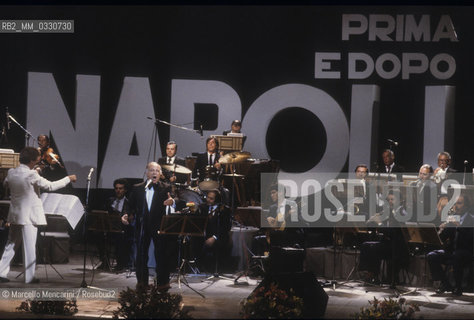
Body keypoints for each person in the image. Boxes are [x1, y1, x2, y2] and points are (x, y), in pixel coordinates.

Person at [0, 147, 76, 283]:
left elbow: (6, 183)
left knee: (10, 245)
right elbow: (51, 186)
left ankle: (1, 272)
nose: (40, 159)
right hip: (29, 216)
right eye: (38, 157)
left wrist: (34, 172)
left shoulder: (12, 172)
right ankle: (29, 277)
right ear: (32, 160)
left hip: (16, 214)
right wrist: (68, 179)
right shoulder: (32, 175)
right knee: (29, 247)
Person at [129, 162, 177, 289]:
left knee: (161, 253)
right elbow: (130, 206)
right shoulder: (138, 188)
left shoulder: (166, 187)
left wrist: (172, 201)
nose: (154, 172)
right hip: (142, 225)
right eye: (151, 170)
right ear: (146, 172)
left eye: (157, 170)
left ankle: (162, 283)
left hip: (159, 225)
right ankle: (142, 282)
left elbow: (175, 199)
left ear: (160, 174)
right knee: (141, 254)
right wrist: (126, 215)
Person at [427, 193, 474, 296]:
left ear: (466, 206)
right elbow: (443, 239)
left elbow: (470, 240)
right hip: (452, 251)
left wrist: (459, 226)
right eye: (455, 203)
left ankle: (458, 287)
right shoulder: (453, 218)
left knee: (458, 255)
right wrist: (442, 229)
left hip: (467, 252)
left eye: (459, 203)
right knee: (432, 256)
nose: (456, 206)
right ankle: (446, 284)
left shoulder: (471, 219)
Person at [195, 189, 232, 272]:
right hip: (204, 235)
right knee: (194, 241)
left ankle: (216, 269)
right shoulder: (202, 207)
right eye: (208, 197)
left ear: (217, 200)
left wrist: (214, 237)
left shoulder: (224, 210)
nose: (208, 200)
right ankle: (199, 267)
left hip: (218, 236)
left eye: (211, 199)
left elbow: (226, 227)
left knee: (218, 243)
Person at [106, 178, 134, 272]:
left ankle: (121, 264)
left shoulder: (129, 203)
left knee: (120, 238)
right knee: (98, 235)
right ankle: (105, 262)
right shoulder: (110, 200)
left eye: (121, 188)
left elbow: (131, 217)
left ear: (125, 190)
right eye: (116, 188)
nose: (118, 190)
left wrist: (126, 218)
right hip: (110, 227)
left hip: (123, 229)